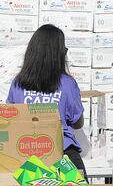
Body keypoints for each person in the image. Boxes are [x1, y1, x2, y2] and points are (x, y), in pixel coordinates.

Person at [6, 24, 86, 174]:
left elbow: (10, 120)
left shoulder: (17, 84)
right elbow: (77, 123)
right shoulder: (67, 83)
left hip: (26, 158)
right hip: (62, 156)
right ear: (58, 54)